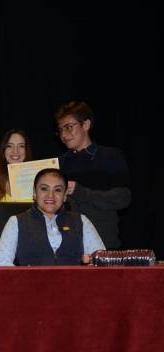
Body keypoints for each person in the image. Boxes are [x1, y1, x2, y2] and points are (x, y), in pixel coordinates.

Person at [55, 101, 131, 249]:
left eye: (68, 127)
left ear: (86, 125)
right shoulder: (58, 163)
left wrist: (79, 191)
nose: (63, 135)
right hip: (66, 246)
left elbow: (123, 198)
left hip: (103, 244)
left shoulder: (111, 156)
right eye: (60, 130)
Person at [0, 168, 105, 266]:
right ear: (34, 192)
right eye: (44, 189)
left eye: (57, 190)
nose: (50, 195)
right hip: (30, 282)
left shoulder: (81, 221)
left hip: (73, 281)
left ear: (65, 195)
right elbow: (2, 263)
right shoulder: (16, 222)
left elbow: (102, 262)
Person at [0, 129, 33, 265]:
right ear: (3, 150)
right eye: (10, 146)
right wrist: (4, 248)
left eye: (21, 146)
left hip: (30, 251)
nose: (15, 151)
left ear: (26, 150)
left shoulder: (36, 174)